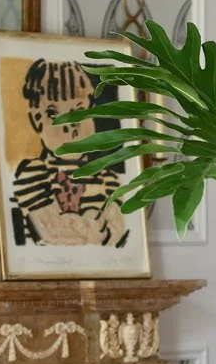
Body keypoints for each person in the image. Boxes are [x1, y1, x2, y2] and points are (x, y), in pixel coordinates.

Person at [11, 58, 129, 248]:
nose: (70, 125)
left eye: (79, 111)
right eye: (54, 114)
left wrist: (90, 229)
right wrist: (93, 226)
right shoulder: (33, 173)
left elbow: (118, 235)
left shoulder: (108, 179)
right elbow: (52, 233)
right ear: (36, 119)